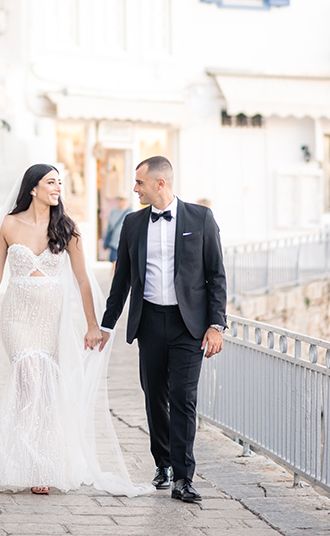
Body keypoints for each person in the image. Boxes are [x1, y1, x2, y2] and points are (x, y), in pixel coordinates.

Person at [0, 163, 151, 496]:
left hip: (51, 317)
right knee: (29, 378)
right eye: (50, 182)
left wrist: (93, 325)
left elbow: (83, 279)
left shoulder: (68, 228)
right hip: (17, 316)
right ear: (33, 188)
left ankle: (40, 463)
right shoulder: (9, 224)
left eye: (59, 183)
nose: (57, 188)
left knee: (43, 387)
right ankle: (27, 461)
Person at [99, 155, 227, 504]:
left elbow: (216, 276)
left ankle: (184, 478)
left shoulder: (200, 218)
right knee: (154, 395)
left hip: (190, 326)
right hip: (150, 322)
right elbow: (122, 279)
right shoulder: (133, 223)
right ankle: (164, 463)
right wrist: (105, 325)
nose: (134, 188)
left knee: (184, 399)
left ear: (160, 184)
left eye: (139, 182)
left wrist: (216, 325)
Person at [102, 196, 132, 266]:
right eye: (117, 199)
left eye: (121, 199)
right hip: (114, 243)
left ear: (125, 200)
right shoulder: (113, 212)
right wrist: (105, 240)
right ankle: (113, 277)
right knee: (114, 264)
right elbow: (109, 227)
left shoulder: (130, 212)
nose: (119, 201)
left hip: (125, 243)